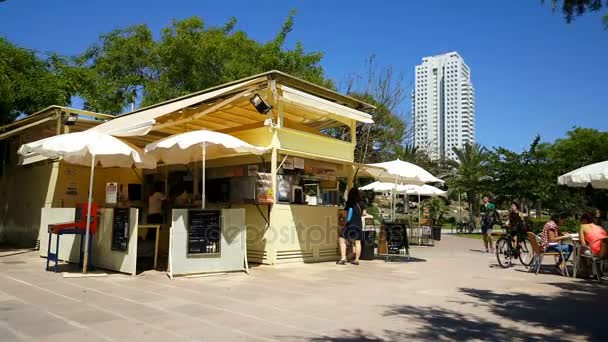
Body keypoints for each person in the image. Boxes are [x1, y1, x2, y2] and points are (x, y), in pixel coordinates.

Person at [337, 188, 367, 266]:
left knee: (342, 239)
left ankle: (343, 258)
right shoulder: (362, 203)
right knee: (358, 242)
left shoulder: (350, 202)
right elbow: (364, 213)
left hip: (350, 224)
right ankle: (356, 260)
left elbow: (345, 212)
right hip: (359, 224)